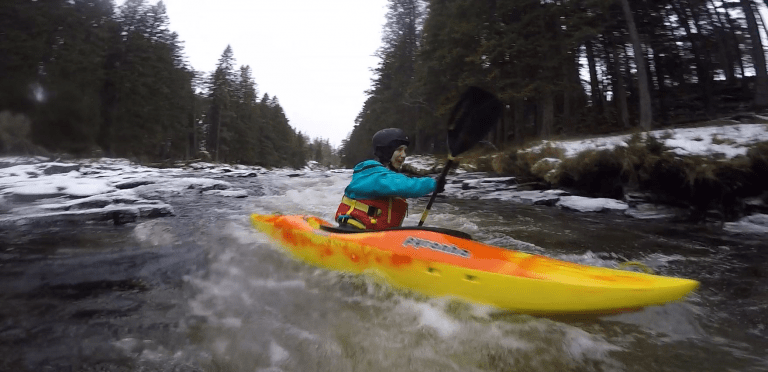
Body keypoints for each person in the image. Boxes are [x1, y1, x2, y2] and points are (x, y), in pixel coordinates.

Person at [335, 128, 446, 230]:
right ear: (386, 151)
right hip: (355, 230)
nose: (403, 155)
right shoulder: (374, 175)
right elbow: (406, 186)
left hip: (373, 233)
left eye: (405, 151)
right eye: (399, 150)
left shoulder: (382, 174)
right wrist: (433, 184)